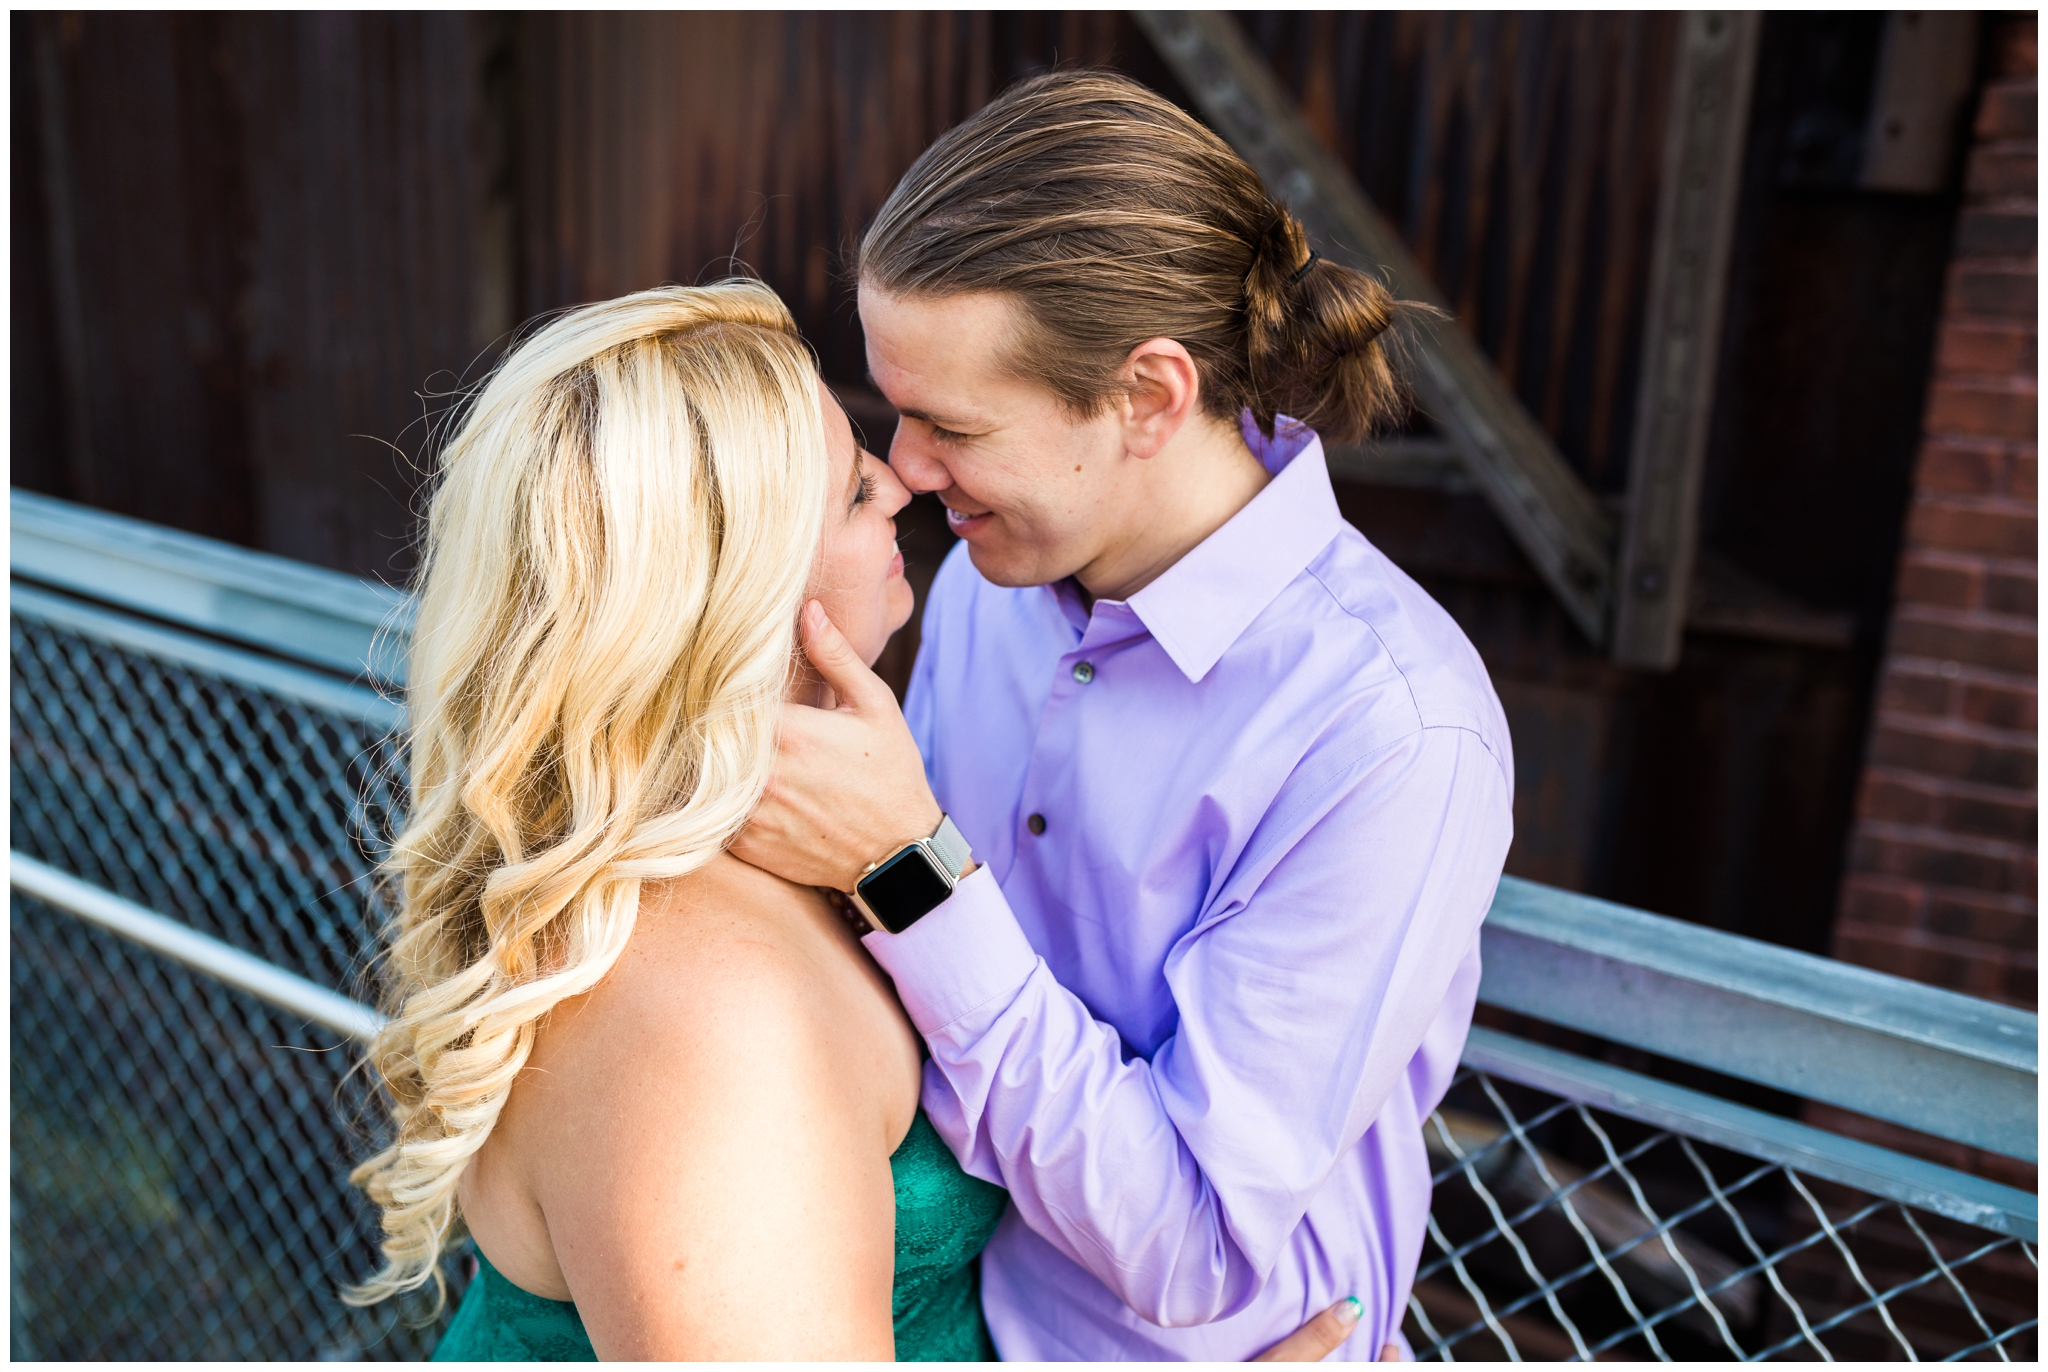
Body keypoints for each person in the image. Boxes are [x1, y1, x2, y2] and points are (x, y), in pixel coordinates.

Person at [344, 279, 1364, 1362]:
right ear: (728, 595)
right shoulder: (705, 1017)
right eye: (846, 491)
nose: (899, 481)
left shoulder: (772, 838)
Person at [734, 71, 1515, 1361]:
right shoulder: (997, 581)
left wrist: (913, 872)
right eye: (895, 411)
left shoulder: (1389, 732)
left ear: (1149, 396)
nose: (906, 471)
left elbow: (1194, 1244)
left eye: (951, 425)